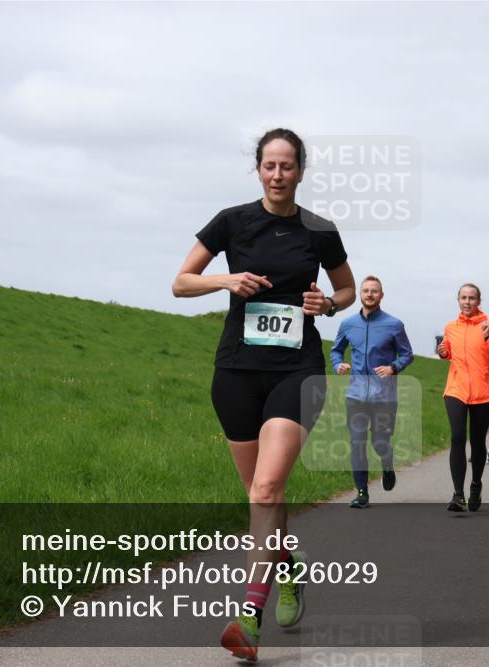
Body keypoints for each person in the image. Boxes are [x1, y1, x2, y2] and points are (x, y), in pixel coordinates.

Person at [172, 128, 356, 662]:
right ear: (258, 169)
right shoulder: (232, 221)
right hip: (235, 370)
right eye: (269, 166)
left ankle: (247, 618)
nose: (278, 175)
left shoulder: (320, 230)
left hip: (298, 370)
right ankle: (289, 566)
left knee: (266, 489)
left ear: (301, 171)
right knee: (260, 497)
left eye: (288, 166)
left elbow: (345, 287)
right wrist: (225, 283)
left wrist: (331, 303)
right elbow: (181, 282)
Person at [331, 276, 414, 508]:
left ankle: (387, 463)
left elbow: (407, 354)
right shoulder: (347, 324)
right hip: (355, 396)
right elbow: (336, 350)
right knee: (357, 443)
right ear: (360, 294)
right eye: (366, 290)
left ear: (381, 295)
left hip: (384, 397)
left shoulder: (394, 324)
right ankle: (362, 493)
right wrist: (338, 364)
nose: (369, 294)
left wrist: (393, 367)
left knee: (379, 442)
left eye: (374, 291)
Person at [437, 283, 489, 512]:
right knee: (458, 438)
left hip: (483, 392)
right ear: (457, 300)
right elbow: (449, 353)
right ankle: (458, 495)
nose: (467, 302)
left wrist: (487, 338)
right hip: (456, 390)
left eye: (472, 298)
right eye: (463, 298)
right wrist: (443, 353)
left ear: (479, 301)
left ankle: (476, 484)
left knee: (477, 442)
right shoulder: (451, 327)